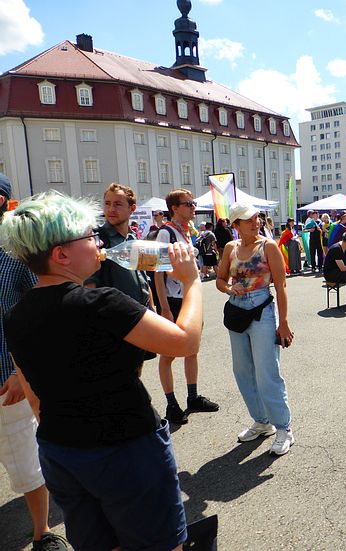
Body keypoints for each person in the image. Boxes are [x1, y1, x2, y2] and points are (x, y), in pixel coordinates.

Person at [2, 191, 202, 551]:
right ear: (61, 254)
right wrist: (191, 282)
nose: (98, 242)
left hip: (61, 452)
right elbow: (186, 342)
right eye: (89, 236)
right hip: (128, 450)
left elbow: (35, 400)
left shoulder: (16, 317)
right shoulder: (101, 303)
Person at [0, 176, 69, 551]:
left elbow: (43, 310)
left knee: (26, 463)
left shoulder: (15, 256)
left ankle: (42, 532)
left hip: (8, 379)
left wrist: (18, 371)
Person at [215, 202, 295, 455]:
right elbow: (220, 279)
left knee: (267, 371)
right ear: (236, 224)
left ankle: (283, 428)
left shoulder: (268, 246)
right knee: (242, 370)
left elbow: (281, 286)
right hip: (237, 311)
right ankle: (262, 422)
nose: (255, 222)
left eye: (256, 218)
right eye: (248, 219)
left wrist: (283, 322)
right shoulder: (231, 247)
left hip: (262, 310)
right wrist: (229, 288)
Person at [155, 190, 219, 425]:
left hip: (190, 299)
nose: (194, 207)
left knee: (192, 348)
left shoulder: (185, 231)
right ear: (174, 208)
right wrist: (164, 307)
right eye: (189, 204)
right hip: (172, 300)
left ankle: (193, 397)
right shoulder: (166, 233)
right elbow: (158, 273)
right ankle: (171, 404)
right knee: (169, 354)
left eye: (194, 203)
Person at [87, 183, 152, 308]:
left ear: (132, 208)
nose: (111, 209)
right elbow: (89, 285)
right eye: (107, 203)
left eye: (117, 204)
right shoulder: (96, 240)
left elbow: (143, 279)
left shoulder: (133, 238)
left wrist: (153, 309)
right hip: (115, 314)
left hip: (143, 311)